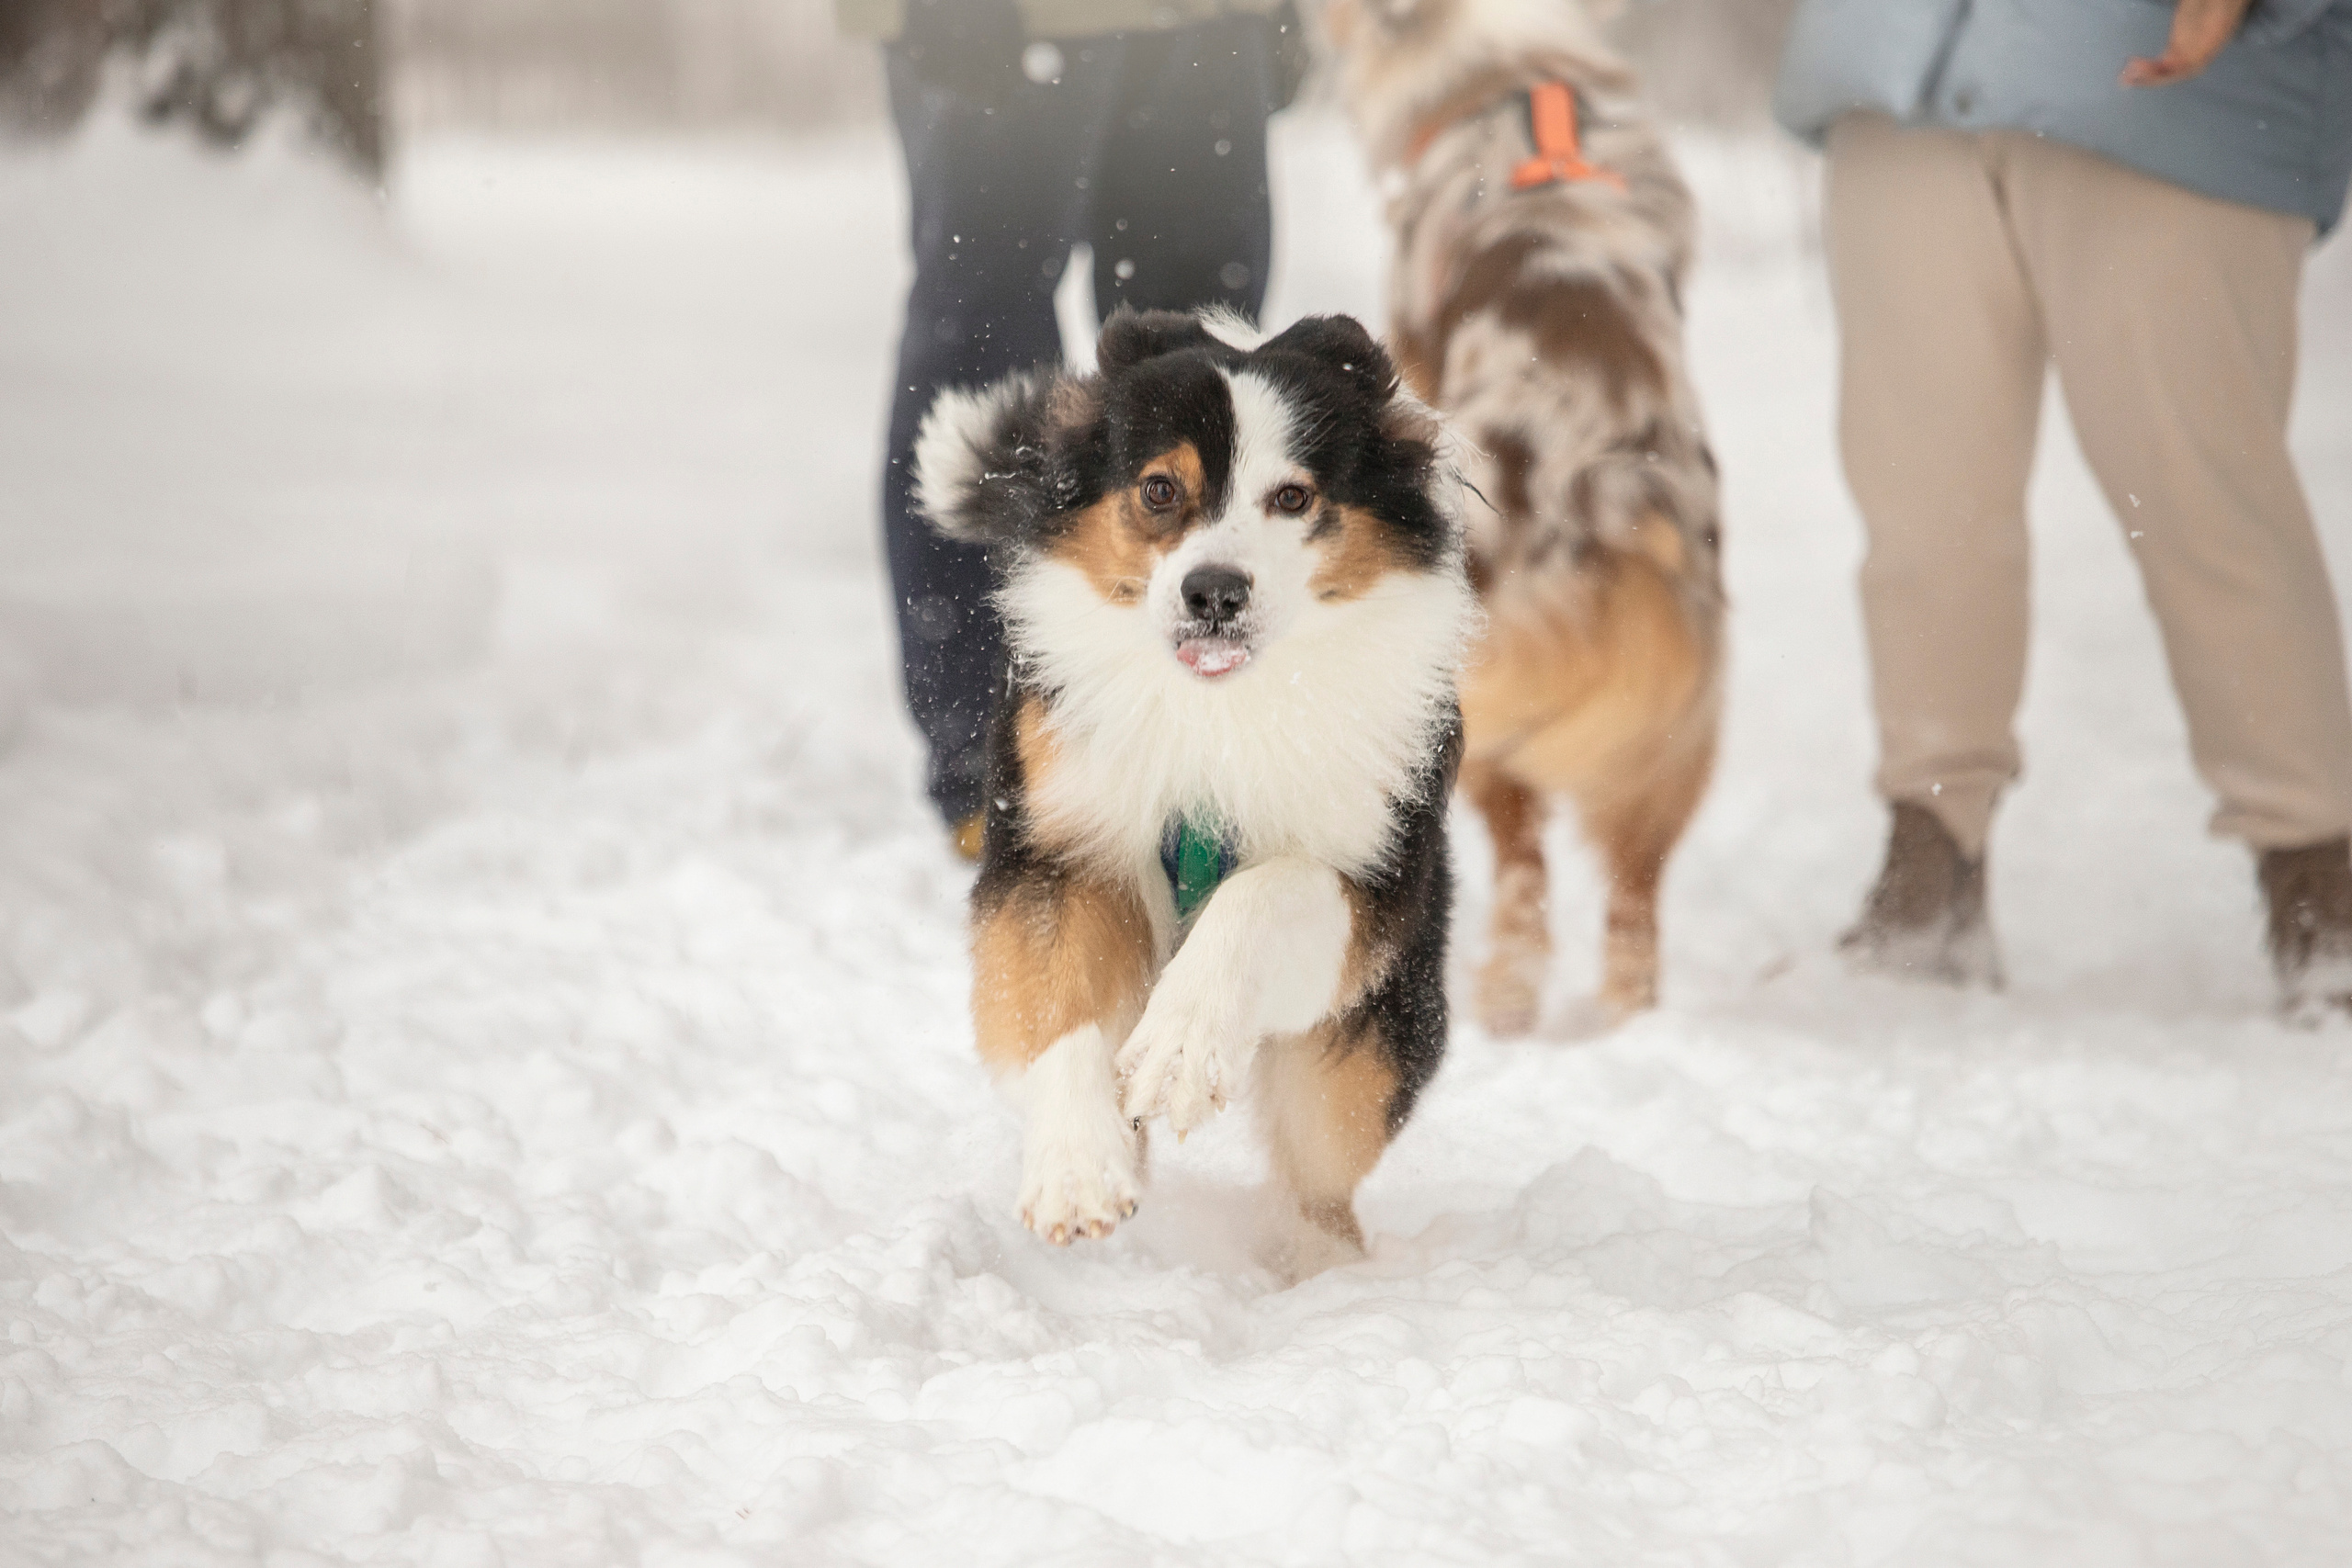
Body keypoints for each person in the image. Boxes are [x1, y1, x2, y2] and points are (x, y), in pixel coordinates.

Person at [1773, 0, 2352, 1010]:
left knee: (2208, 509)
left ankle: (2316, 875)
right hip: (1899, 78)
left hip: (2171, 101)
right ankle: (1931, 850)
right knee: (1920, 509)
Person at [838, 0, 1306, 858]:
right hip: (1009, 20)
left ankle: (1182, 755)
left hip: (1209, 19)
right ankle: (992, 756)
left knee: (1200, 363)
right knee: (984, 347)